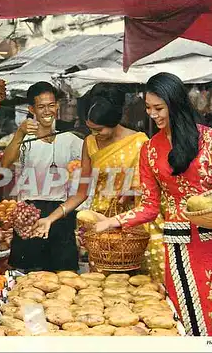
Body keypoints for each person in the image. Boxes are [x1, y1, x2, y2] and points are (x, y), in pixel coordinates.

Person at [95, 72, 212, 336]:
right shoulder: (149, 150)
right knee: (183, 321)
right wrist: (113, 222)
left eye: (158, 108)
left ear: (176, 103)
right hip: (180, 246)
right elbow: (150, 206)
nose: (152, 114)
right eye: (148, 108)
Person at [33, 86, 165, 281]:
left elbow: (157, 187)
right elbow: (81, 193)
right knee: (104, 288)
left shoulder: (140, 142)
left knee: (144, 288)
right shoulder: (89, 142)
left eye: (99, 129)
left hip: (136, 226)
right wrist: (50, 219)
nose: (95, 134)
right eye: (91, 129)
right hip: (101, 226)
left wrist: (135, 190)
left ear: (114, 122)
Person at [1, 81, 83, 272]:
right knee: (29, 272)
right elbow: (5, 164)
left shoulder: (68, 138)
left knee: (64, 274)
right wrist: (19, 133)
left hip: (61, 212)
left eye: (51, 105)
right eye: (41, 107)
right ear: (31, 109)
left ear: (57, 106)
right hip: (30, 210)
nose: (47, 111)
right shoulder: (25, 138)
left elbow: (91, 158)